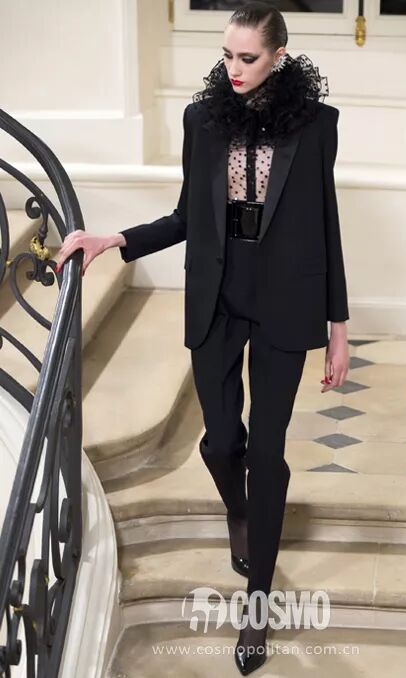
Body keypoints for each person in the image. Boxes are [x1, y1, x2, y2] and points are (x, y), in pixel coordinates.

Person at [55, 2, 350, 674]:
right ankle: (237, 510)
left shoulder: (317, 125)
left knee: (267, 453)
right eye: (226, 55)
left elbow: (325, 226)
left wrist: (338, 327)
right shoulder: (203, 119)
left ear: (278, 55)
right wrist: (115, 239)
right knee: (221, 442)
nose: (234, 68)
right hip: (218, 299)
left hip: (284, 304)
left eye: (248, 57)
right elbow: (188, 216)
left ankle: (257, 605)